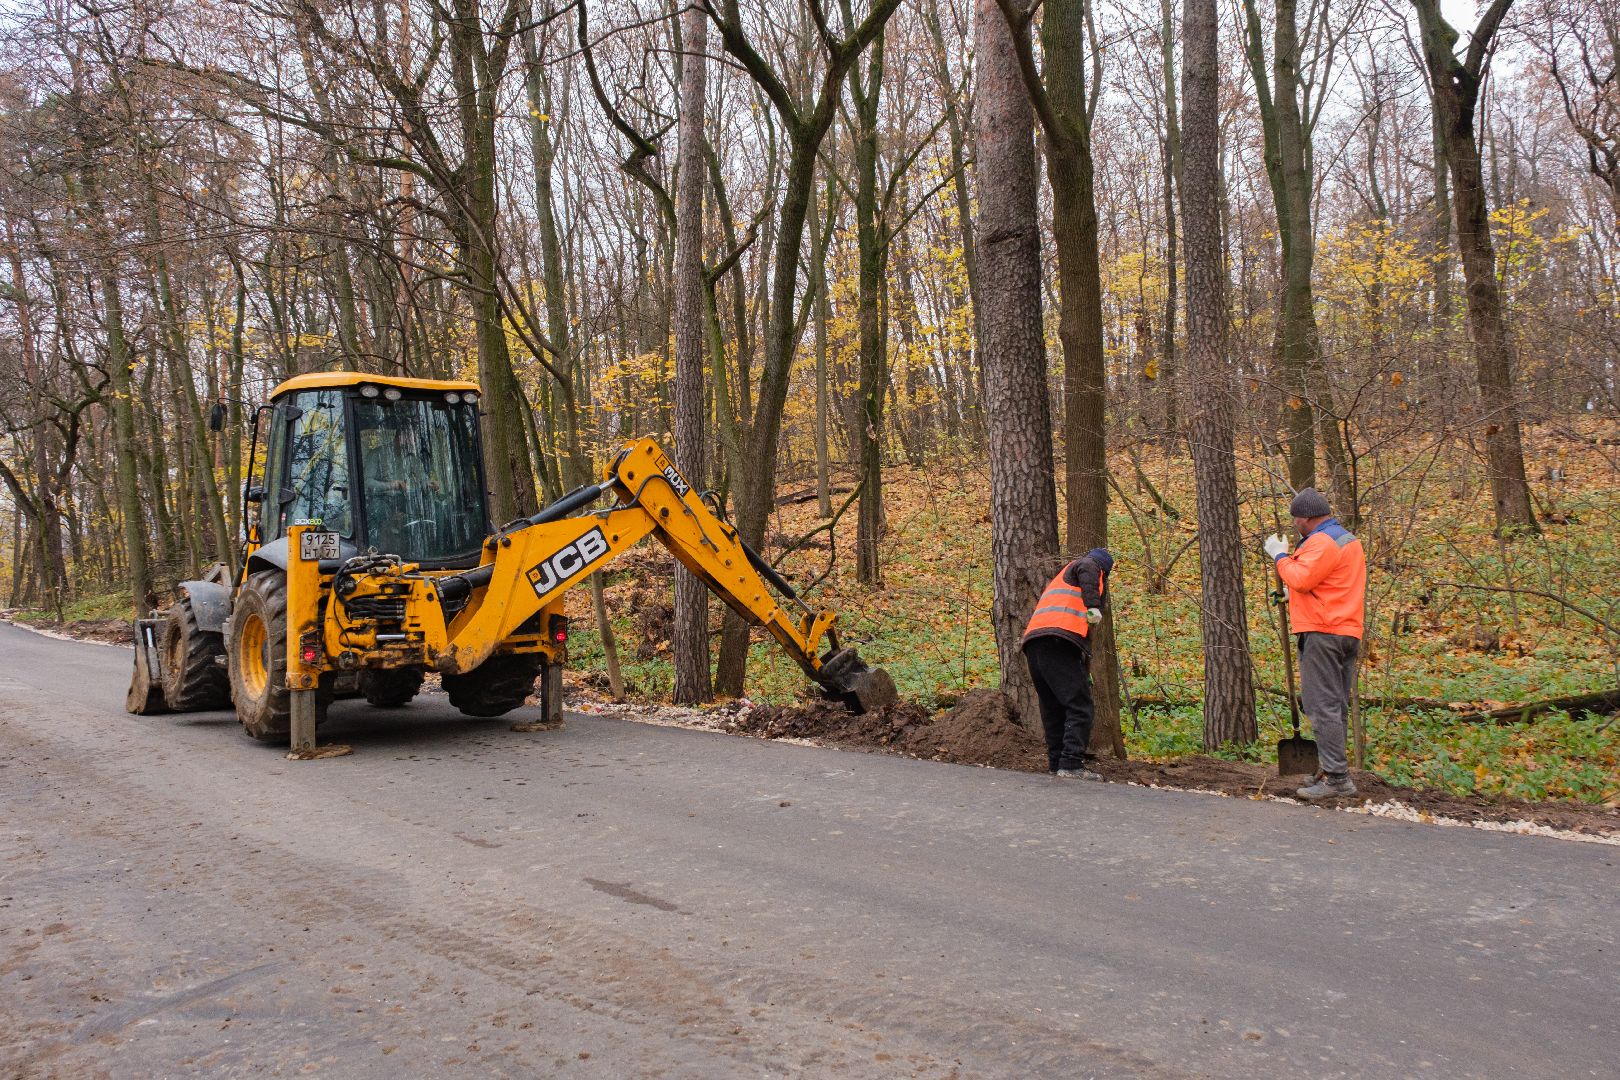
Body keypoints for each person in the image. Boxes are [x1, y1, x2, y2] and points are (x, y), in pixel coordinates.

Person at [1265, 488, 1367, 799]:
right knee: (1335, 704)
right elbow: (1327, 584)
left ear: (1307, 518)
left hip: (1324, 633)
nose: (1295, 524)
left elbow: (1301, 578)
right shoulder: (1345, 539)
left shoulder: (1321, 542)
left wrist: (1279, 556)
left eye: (1296, 519)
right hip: (1345, 630)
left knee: (1321, 705)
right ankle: (1331, 768)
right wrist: (1290, 596)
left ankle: (1337, 779)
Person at [1022, 547, 1113, 781]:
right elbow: (1088, 567)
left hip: (1035, 644)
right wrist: (1093, 605)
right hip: (1058, 641)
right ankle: (1071, 764)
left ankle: (1057, 763)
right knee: (1080, 705)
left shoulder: (1061, 580)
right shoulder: (1090, 565)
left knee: (1052, 707)